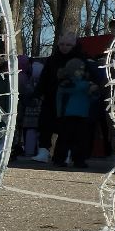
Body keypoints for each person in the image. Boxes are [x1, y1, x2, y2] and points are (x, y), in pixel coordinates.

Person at [32, 31, 84, 161]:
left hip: (71, 99)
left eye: (68, 45)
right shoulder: (52, 59)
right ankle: (43, 151)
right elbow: (44, 78)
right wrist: (38, 93)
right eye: (61, 44)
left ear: (74, 46)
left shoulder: (81, 59)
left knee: (67, 127)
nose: (64, 47)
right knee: (45, 125)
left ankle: (65, 154)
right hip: (51, 98)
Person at [51, 55, 101, 168]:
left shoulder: (86, 82)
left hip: (83, 115)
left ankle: (79, 160)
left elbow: (92, 97)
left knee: (81, 140)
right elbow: (70, 89)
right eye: (79, 69)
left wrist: (93, 92)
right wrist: (87, 86)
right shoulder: (66, 82)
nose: (81, 72)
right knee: (64, 139)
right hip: (68, 115)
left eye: (82, 69)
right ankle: (59, 159)